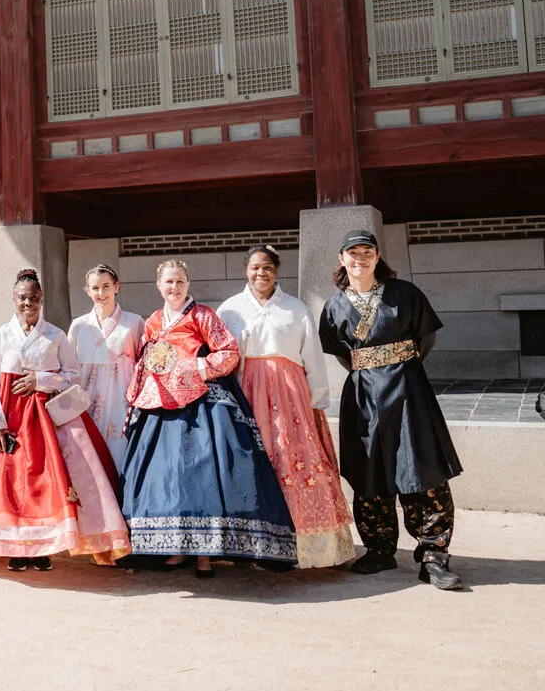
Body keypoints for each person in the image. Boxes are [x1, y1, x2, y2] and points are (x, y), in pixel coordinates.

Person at [0, 269, 130, 569]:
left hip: (45, 420)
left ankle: (42, 550)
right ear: (14, 299)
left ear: (42, 300)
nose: (29, 303)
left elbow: (72, 376)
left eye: (34, 298)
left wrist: (40, 380)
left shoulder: (55, 334)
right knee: (11, 483)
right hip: (11, 417)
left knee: (44, 483)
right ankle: (16, 548)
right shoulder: (2, 335)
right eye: (23, 298)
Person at [121, 260, 298, 576]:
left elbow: (229, 353)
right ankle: (175, 549)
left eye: (179, 281)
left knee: (200, 475)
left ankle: (205, 553)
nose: (174, 288)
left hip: (200, 407)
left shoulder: (203, 315)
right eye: (168, 282)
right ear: (158, 286)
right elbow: (146, 358)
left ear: (188, 284)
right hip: (161, 407)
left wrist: (193, 368)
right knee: (167, 477)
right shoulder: (154, 321)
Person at [319, 230, 464, 590]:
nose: (360, 258)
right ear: (342, 259)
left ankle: (433, 556)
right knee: (370, 468)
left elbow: (425, 339)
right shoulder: (334, 306)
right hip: (363, 398)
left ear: (377, 256)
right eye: (353, 253)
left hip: (408, 390)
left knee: (421, 466)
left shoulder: (406, 294)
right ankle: (379, 549)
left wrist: (398, 367)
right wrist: (371, 369)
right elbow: (342, 353)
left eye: (367, 251)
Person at [218, 247, 357, 570]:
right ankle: (250, 545)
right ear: (246, 271)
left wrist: (316, 398)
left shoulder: (295, 309)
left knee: (292, 460)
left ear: (276, 270)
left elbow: (311, 355)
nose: (260, 273)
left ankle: (303, 545)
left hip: (289, 397)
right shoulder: (230, 310)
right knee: (253, 461)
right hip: (247, 393)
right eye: (254, 268)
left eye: (267, 267)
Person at [66, 265, 142, 473]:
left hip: (121, 397)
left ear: (116, 287)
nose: (101, 293)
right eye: (95, 288)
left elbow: (143, 363)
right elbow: (69, 365)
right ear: (88, 291)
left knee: (120, 449)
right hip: (86, 395)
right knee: (87, 451)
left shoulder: (134, 322)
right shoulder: (79, 325)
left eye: (106, 286)